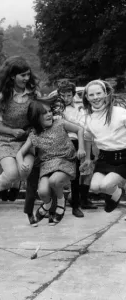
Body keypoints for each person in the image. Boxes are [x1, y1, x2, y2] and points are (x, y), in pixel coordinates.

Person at [17, 101, 86, 224]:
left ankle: (61, 202)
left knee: (54, 181)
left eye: (49, 111)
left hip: (66, 160)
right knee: (42, 192)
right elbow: (20, 153)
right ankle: (47, 205)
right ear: (35, 117)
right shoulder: (34, 135)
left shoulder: (60, 123)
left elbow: (79, 129)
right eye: (44, 113)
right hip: (47, 165)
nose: (49, 114)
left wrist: (81, 148)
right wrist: (21, 162)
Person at [0, 56, 40, 204]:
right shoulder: (3, 95)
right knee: (11, 174)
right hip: (6, 139)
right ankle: (1, 180)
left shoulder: (34, 94)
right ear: (12, 76)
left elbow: (40, 116)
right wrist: (12, 131)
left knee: (24, 172)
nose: (26, 78)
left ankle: (17, 182)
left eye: (28, 74)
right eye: (22, 75)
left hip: (27, 141)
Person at [80, 79, 126, 213]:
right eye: (92, 95)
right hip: (105, 158)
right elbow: (88, 138)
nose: (96, 98)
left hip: (123, 157)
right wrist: (88, 158)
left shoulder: (120, 112)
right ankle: (116, 192)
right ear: (87, 98)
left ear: (105, 93)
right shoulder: (89, 118)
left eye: (99, 93)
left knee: (106, 185)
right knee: (94, 187)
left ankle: (117, 191)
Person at [57, 80, 97, 217]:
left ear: (73, 95)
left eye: (69, 95)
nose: (66, 98)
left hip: (75, 142)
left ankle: (77, 204)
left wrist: (67, 122)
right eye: (63, 95)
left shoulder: (78, 109)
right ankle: (55, 205)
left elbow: (81, 127)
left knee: (76, 175)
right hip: (59, 143)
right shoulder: (55, 108)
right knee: (58, 174)